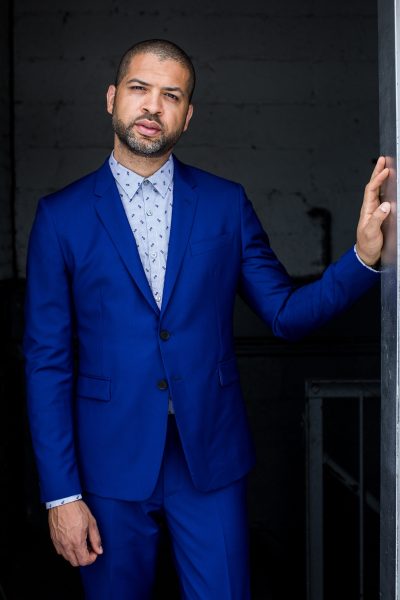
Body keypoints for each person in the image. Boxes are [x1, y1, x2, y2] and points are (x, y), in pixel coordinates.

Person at [23, 39, 389, 599]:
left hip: (209, 458)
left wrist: (362, 257)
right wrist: (60, 495)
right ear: (112, 98)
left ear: (187, 116)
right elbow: (47, 363)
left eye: (171, 96)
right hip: (106, 463)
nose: (153, 106)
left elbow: (286, 315)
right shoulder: (60, 217)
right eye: (140, 89)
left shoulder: (225, 204)